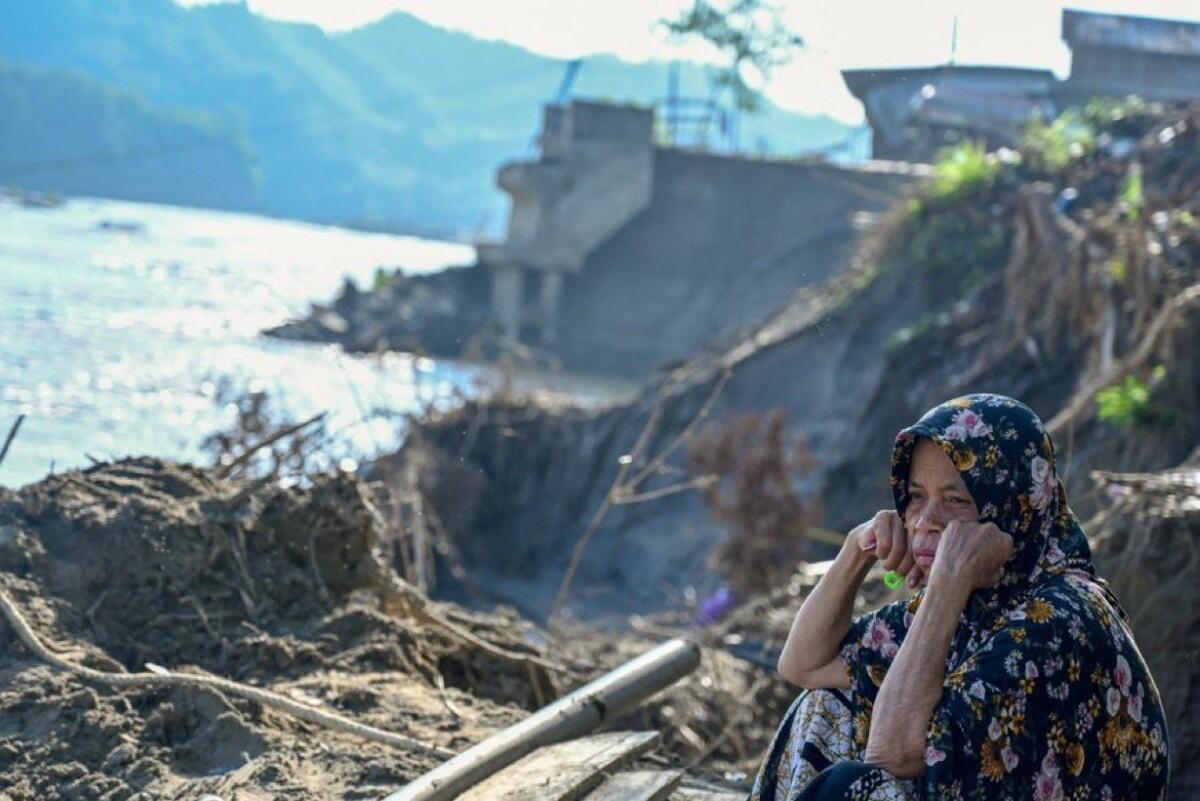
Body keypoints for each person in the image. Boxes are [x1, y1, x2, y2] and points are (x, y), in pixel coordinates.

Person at [749, 394, 1169, 801]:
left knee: (852, 787)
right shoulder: (982, 602)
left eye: (956, 500)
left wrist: (947, 584)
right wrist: (857, 550)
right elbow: (805, 664)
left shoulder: (1059, 616)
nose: (926, 522)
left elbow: (893, 753)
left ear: (1013, 506)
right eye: (915, 497)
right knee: (827, 705)